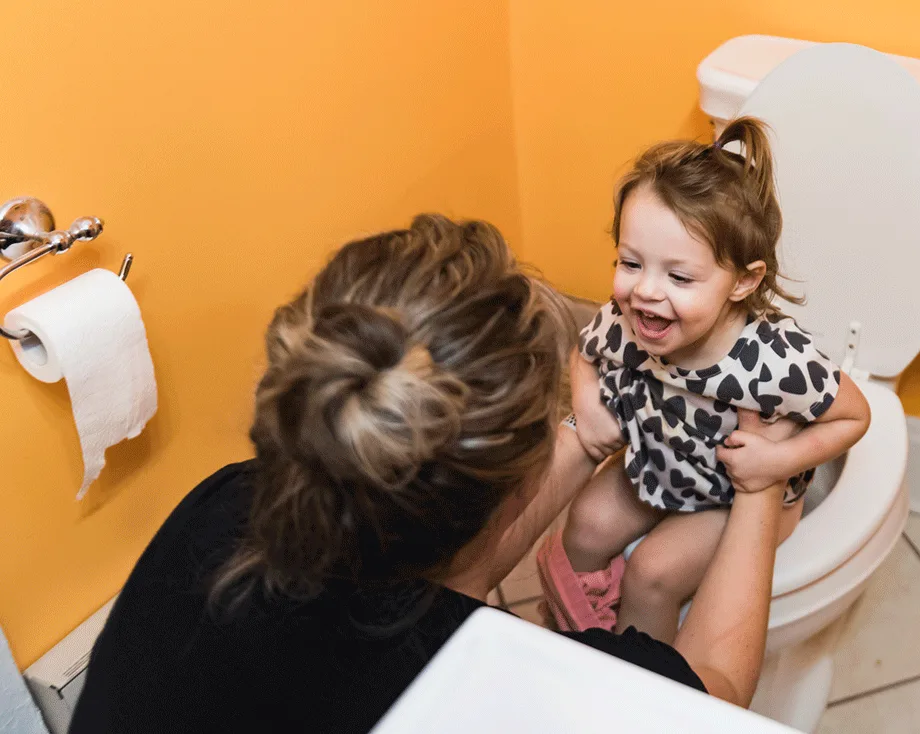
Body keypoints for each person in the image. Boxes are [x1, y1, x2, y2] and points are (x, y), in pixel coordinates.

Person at [70, 214, 794, 733]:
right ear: (511, 490)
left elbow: (450, 579)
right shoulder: (487, 682)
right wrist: (762, 483)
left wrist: (580, 436)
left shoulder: (225, 506)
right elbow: (714, 697)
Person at [538, 118, 872, 642]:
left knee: (652, 573)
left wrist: (776, 462)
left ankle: (640, 683)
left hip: (732, 497)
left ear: (743, 281)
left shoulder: (773, 360)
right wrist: (588, 401)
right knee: (582, 526)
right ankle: (580, 639)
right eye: (630, 262)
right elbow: (585, 352)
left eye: (679, 276)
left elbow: (856, 415)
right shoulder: (628, 320)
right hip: (658, 464)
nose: (645, 291)